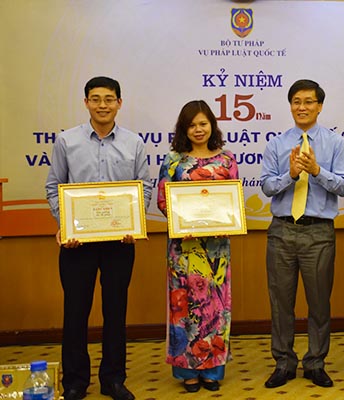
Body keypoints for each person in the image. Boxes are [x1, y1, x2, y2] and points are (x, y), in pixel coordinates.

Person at [45, 76, 152, 400]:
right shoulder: (67, 141)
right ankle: (75, 382)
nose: (102, 105)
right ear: (86, 102)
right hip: (77, 245)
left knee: (115, 313)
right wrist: (66, 225)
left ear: (119, 103)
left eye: (108, 99)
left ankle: (113, 379)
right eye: (95, 99)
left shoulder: (134, 143)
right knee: (75, 313)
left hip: (120, 243)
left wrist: (135, 223)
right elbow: (54, 186)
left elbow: (144, 187)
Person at [259, 79, 344, 388]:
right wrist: (290, 174)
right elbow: (266, 186)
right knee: (280, 303)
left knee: (319, 303)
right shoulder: (276, 144)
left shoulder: (335, 143)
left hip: (318, 233)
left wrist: (316, 171)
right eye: (297, 101)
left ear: (320, 106)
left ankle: (315, 363)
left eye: (309, 101)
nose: (302, 107)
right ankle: (283, 363)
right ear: (290, 106)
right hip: (282, 231)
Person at [156, 100, 238, 393]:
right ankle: (187, 371)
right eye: (192, 125)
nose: (198, 130)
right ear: (184, 129)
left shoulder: (227, 159)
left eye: (203, 124)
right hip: (183, 248)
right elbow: (163, 200)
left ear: (212, 126)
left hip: (217, 249)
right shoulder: (173, 161)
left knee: (215, 307)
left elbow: (233, 200)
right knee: (185, 308)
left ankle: (213, 371)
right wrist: (185, 221)